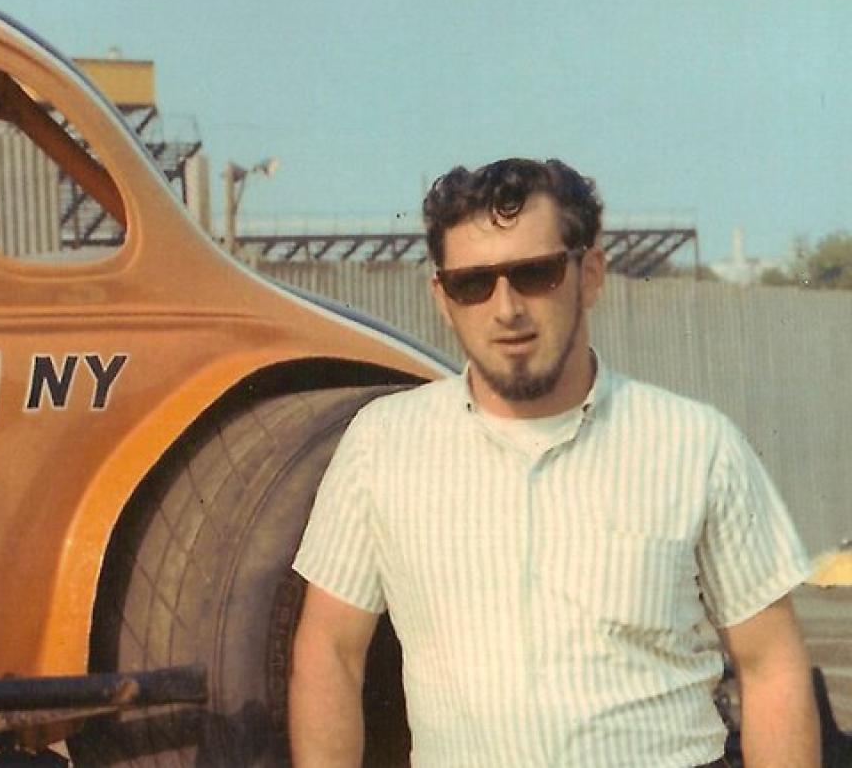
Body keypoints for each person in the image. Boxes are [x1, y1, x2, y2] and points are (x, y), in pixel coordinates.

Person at [289, 158, 818, 767]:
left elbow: (771, 664)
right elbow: (330, 652)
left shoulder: (696, 446)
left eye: (535, 273)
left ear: (589, 275)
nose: (506, 308)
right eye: (472, 283)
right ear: (442, 297)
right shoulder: (381, 447)